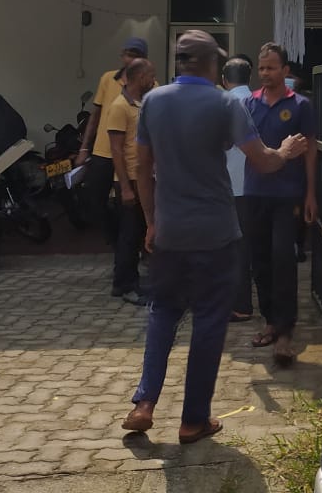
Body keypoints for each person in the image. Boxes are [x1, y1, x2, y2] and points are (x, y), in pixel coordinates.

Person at [123, 30, 306, 441]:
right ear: (210, 65)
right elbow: (262, 163)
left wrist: (151, 222)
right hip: (216, 234)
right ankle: (193, 420)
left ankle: (144, 402)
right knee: (208, 321)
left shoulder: (153, 101)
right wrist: (286, 151)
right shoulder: (227, 103)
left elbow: (142, 168)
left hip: (169, 231)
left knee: (163, 313)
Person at [244, 42, 318, 367]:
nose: (265, 74)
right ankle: (270, 321)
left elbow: (311, 149)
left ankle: (286, 330)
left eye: (271, 67)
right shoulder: (249, 104)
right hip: (255, 192)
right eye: (261, 68)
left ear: (285, 71)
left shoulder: (300, 105)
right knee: (259, 261)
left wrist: (310, 193)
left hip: (288, 195)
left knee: (282, 259)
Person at [77, 37, 148, 260]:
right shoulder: (108, 79)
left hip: (129, 157)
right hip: (103, 153)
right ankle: (119, 244)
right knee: (93, 202)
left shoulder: (150, 84)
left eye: (135, 54)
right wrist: (83, 149)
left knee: (132, 208)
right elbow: (95, 115)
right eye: (126, 53)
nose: (129, 58)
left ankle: (133, 251)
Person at [106, 57, 157, 305]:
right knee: (129, 234)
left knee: (137, 233)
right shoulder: (119, 106)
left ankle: (128, 281)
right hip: (129, 181)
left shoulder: (141, 103)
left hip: (143, 178)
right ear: (139, 78)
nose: (154, 80)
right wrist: (125, 187)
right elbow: (116, 150)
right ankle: (125, 284)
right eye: (150, 76)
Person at [221, 54, 255, 322]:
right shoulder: (257, 101)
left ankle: (240, 304)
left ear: (223, 79)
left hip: (231, 184)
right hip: (257, 182)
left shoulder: (225, 104)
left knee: (234, 248)